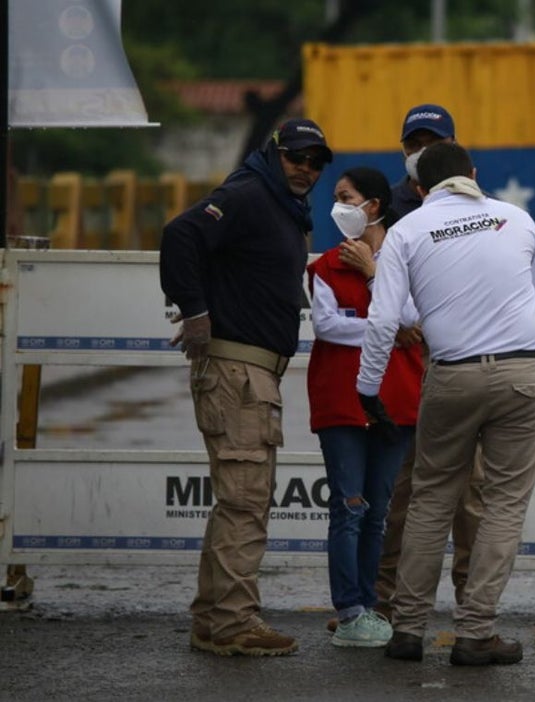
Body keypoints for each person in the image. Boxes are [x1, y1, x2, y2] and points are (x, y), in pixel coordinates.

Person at [356, 142, 535, 666]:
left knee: (430, 499)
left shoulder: (407, 230)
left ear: (420, 189)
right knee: (504, 505)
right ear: (473, 175)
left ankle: (407, 629)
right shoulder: (517, 218)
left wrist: (368, 388)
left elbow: (383, 320)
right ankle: (475, 632)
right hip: (521, 372)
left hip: (451, 376)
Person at [160, 118, 333, 657]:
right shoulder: (252, 194)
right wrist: (196, 313)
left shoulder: (279, 205)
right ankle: (235, 623)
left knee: (236, 501)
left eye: (316, 161)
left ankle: (214, 621)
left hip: (248, 375)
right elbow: (181, 233)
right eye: (297, 157)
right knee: (245, 502)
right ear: (274, 153)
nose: (306, 168)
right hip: (239, 375)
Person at [371, 103, 485, 619]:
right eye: (414, 144)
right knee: (401, 492)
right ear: (403, 150)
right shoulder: (385, 207)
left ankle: (471, 601)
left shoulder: (481, 208)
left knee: (471, 496)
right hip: (406, 369)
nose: (422, 153)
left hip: (462, 362)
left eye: (432, 143)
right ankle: (384, 599)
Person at [308, 167, 423, 647]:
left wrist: (376, 280)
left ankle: (372, 604)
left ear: (372, 206)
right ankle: (350, 608)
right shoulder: (324, 267)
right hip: (342, 403)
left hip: (397, 401)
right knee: (349, 507)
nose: (338, 206)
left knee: (378, 511)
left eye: (346, 197)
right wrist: (387, 328)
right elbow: (327, 326)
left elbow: (420, 318)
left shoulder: (409, 256)